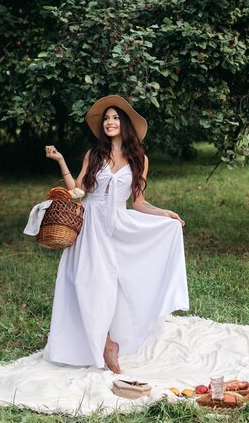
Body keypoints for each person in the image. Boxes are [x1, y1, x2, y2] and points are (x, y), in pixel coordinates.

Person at [44, 94, 189, 374]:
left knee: (116, 284)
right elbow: (78, 191)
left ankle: (111, 339)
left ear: (125, 124)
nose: (110, 122)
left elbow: (138, 202)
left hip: (119, 224)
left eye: (115, 118)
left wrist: (164, 213)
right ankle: (106, 343)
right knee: (87, 283)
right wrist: (61, 161)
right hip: (90, 223)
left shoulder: (140, 159)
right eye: (106, 118)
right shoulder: (94, 154)